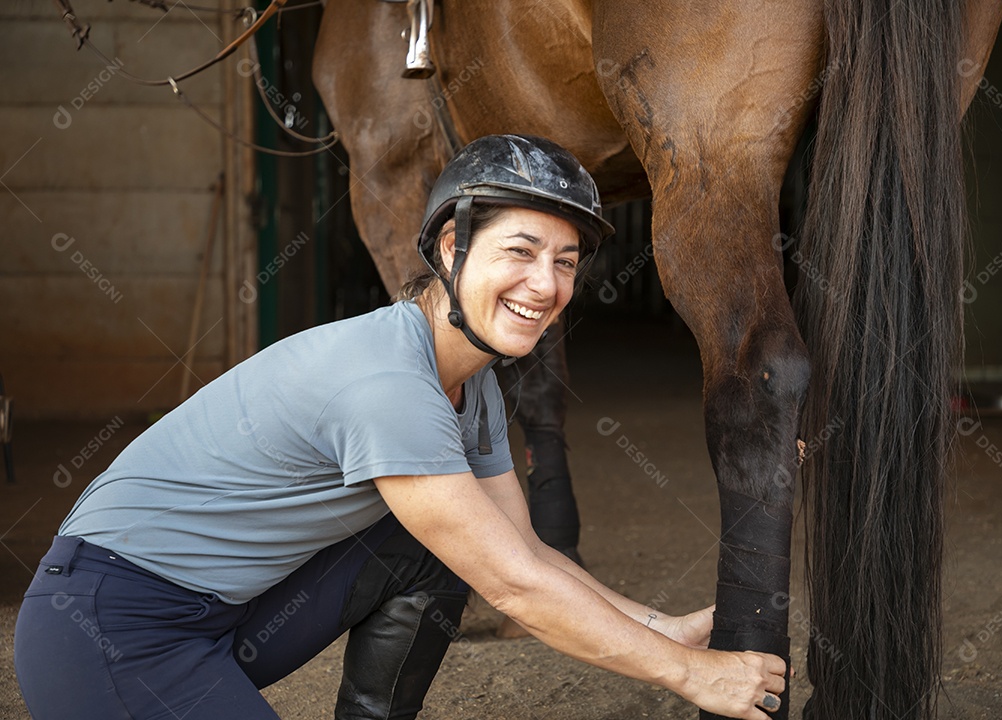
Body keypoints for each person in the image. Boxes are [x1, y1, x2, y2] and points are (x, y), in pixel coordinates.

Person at [14, 134, 786, 720]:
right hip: (110, 625)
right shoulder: (387, 380)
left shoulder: (471, 378)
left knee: (440, 547)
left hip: (234, 614)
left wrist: (667, 628)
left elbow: (521, 551)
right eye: (519, 251)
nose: (546, 285)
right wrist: (693, 676)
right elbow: (513, 589)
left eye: (567, 261)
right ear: (452, 247)